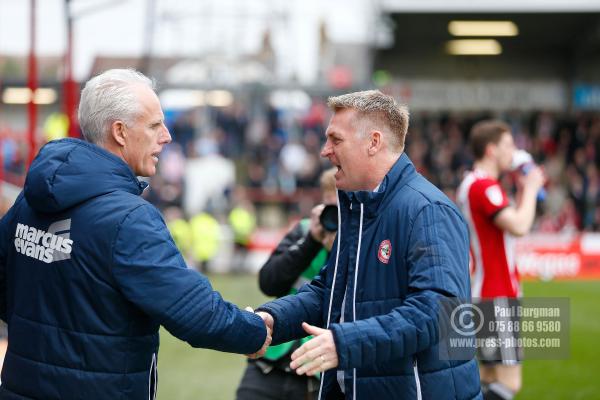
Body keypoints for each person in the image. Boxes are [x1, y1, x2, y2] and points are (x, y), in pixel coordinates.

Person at [0, 69, 270, 399]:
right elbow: (195, 313)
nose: (167, 136)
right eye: (155, 125)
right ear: (121, 132)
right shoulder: (129, 219)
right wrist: (255, 331)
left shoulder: (29, 201)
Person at [254, 90, 482, 399]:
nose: (324, 151)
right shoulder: (358, 209)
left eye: (336, 140)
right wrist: (273, 319)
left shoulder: (427, 211)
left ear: (373, 142)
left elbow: (439, 314)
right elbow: (328, 292)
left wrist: (344, 342)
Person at [456, 120, 545, 400]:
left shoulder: (474, 183)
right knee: (508, 383)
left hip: (484, 291)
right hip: (496, 295)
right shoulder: (483, 186)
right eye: (508, 145)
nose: (514, 151)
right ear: (491, 150)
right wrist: (530, 188)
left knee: (487, 377)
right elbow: (519, 224)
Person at [236, 168, 337, 400]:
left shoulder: (360, 237)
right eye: (330, 208)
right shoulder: (305, 230)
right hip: (271, 362)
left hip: (318, 371)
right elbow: (269, 282)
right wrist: (311, 241)